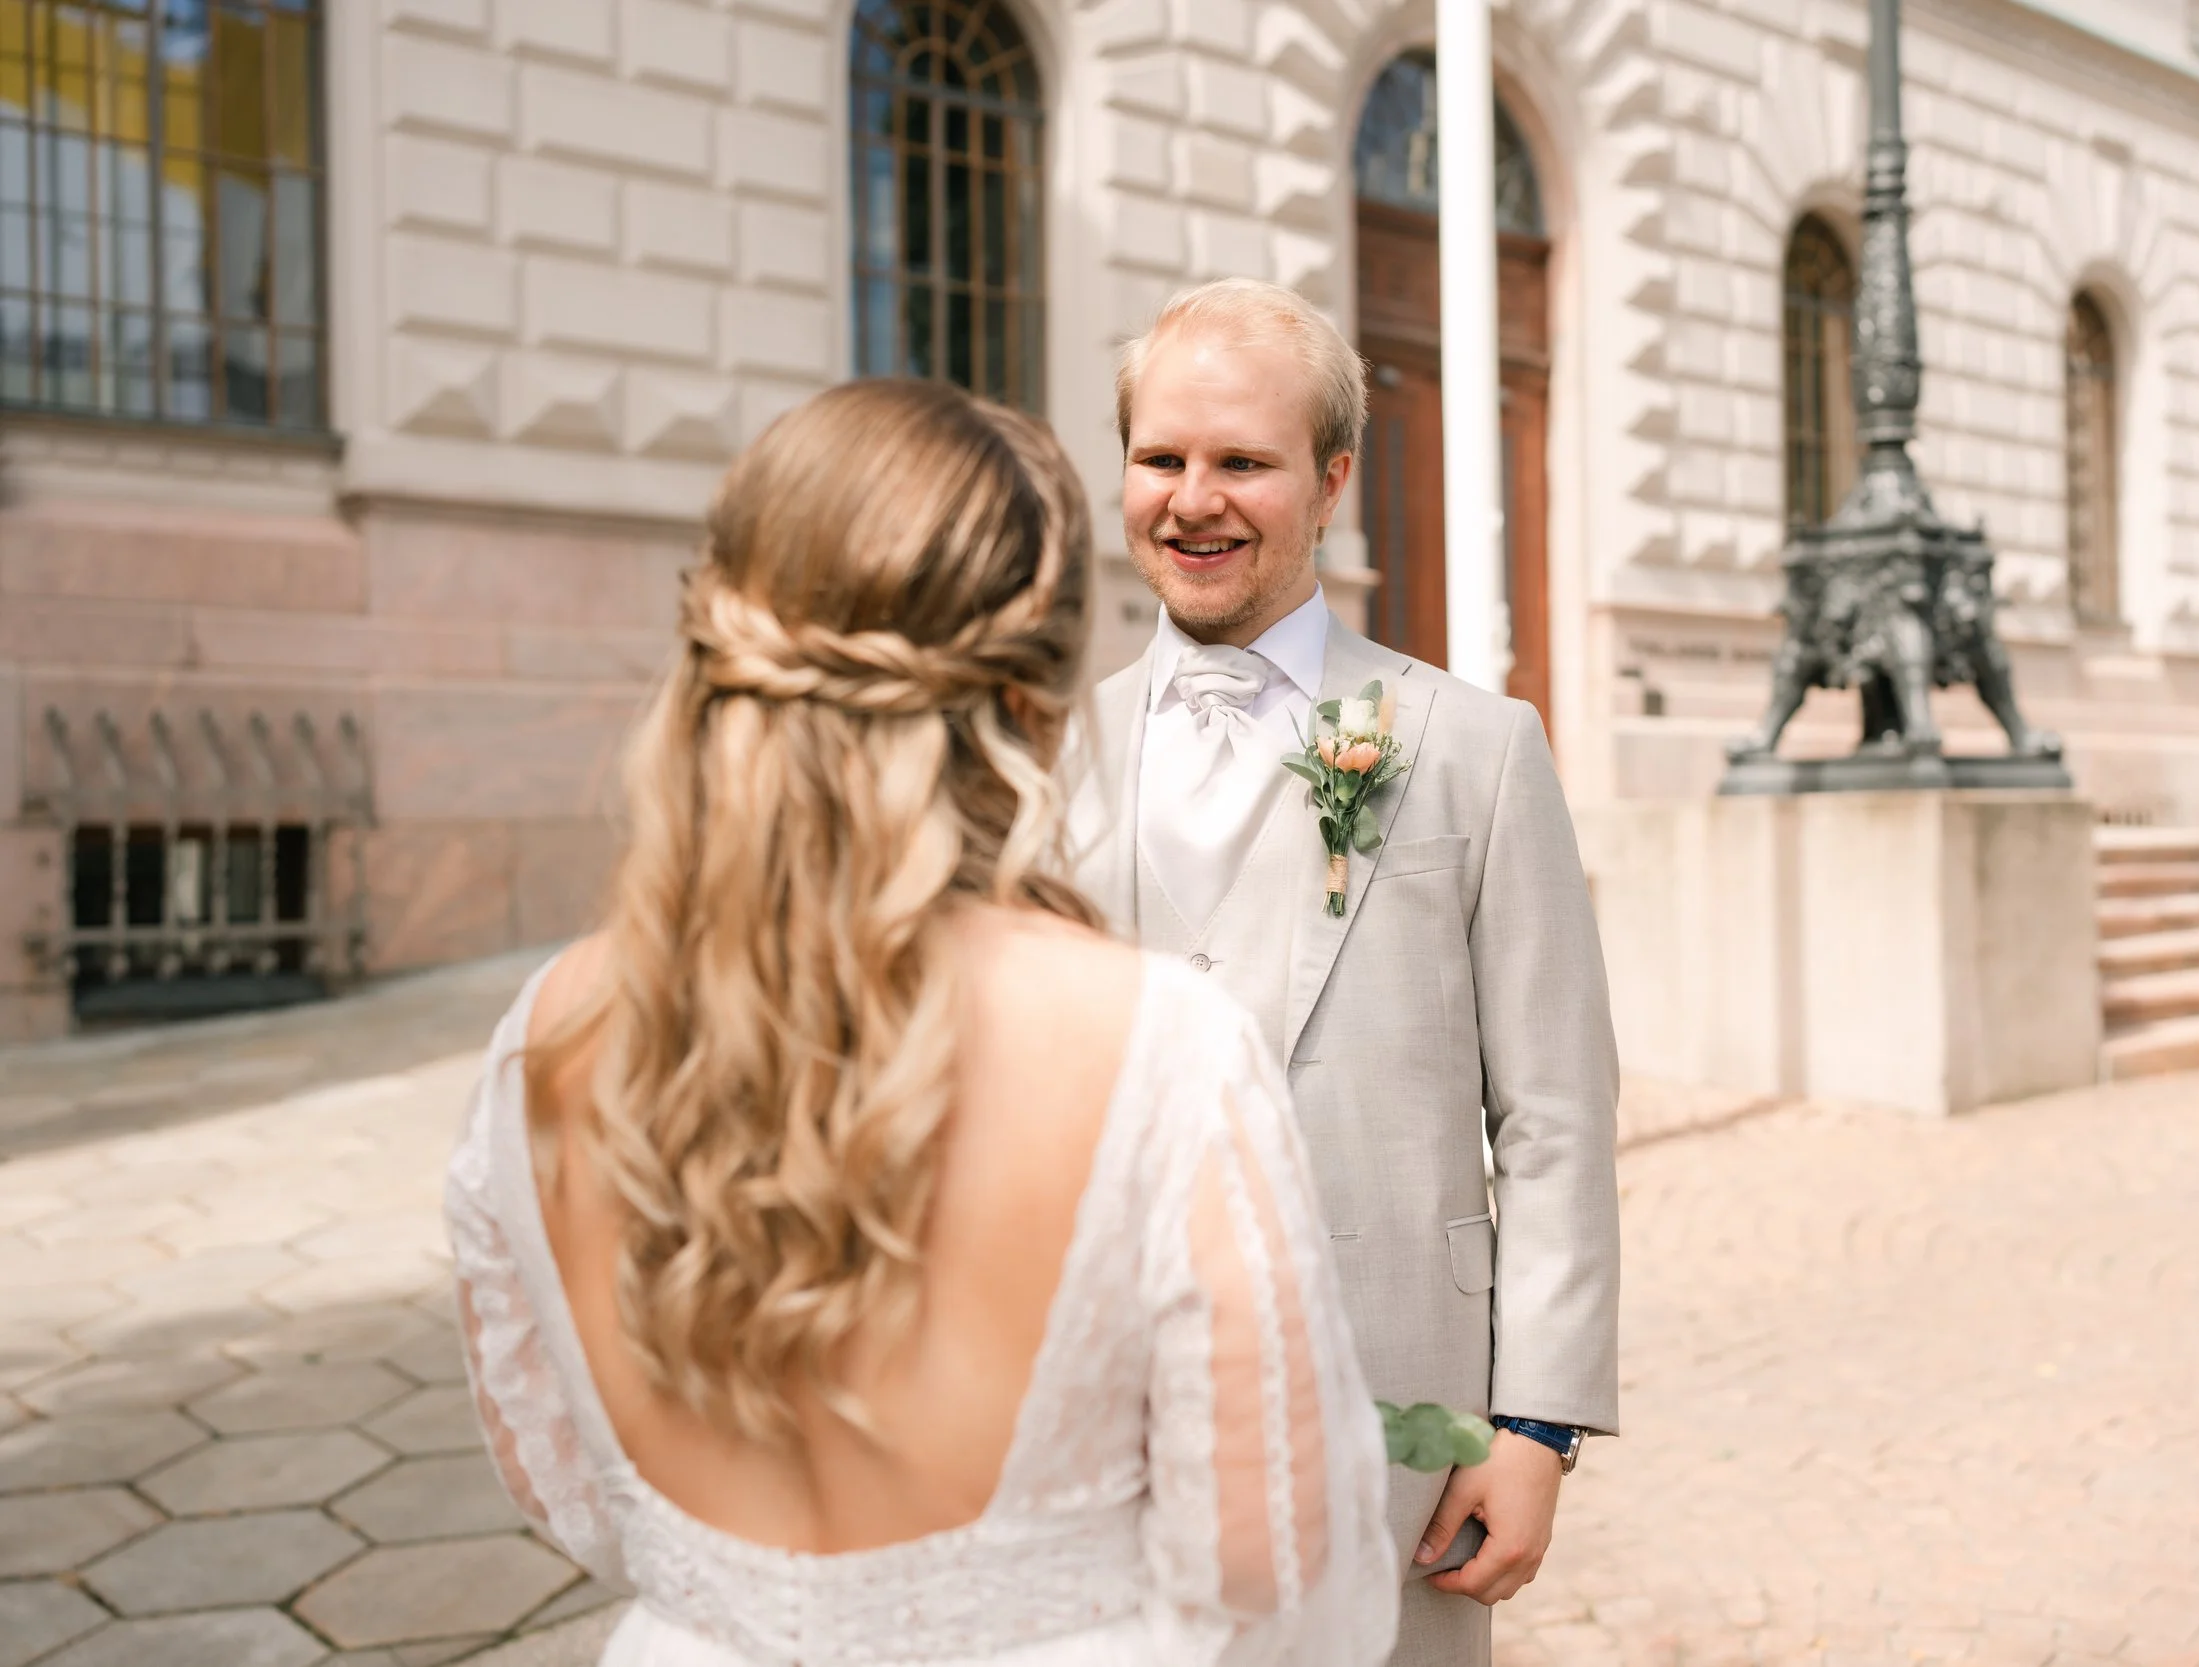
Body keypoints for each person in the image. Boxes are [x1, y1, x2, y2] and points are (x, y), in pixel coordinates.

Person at [444, 379, 1399, 1667]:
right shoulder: (1157, 1050)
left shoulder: (542, 1038)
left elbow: (565, 1484)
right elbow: (1275, 1572)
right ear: (1033, 698)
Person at [1068, 278, 1622, 1667]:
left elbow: (1554, 1117)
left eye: (1242, 462)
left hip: (1402, 1444)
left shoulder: (1472, 747)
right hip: (1099, 1456)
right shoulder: (1044, 756)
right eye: (1162, 459)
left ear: (1328, 482)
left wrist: (1536, 1424)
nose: (1195, 500)